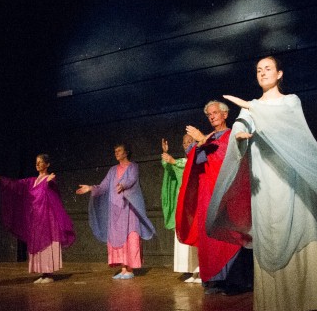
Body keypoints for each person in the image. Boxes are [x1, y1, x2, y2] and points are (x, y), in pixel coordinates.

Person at [207, 55, 317, 311]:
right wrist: (239, 134)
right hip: (265, 183)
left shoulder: (291, 102)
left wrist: (250, 107)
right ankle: (275, 302)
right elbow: (241, 123)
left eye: (268, 69)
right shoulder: (251, 108)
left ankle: (306, 299)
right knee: (269, 231)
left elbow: (285, 125)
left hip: (290, 181)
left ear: (279, 74)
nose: (263, 73)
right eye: (259, 70)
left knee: (297, 228)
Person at [176, 100, 253, 295]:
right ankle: (214, 281)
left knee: (229, 238)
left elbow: (227, 161)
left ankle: (234, 281)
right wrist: (197, 145)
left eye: (215, 113)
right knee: (210, 240)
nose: (211, 117)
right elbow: (197, 162)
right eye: (209, 114)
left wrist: (202, 140)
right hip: (206, 196)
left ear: (225, 115)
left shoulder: (230, 135)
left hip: (226, 197)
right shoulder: (208, 138)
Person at [0, 153, 75, 284]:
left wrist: (49, 182)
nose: (37, 164)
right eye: (36, 162)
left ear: (47, 164)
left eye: (40, 162)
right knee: (38, 245)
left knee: (47, 245)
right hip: (36, 219)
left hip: (47, 219)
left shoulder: (50, 178)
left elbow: (52, 189)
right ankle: (43, 274)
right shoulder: (31, 181)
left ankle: (49, 274)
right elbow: (14, 184)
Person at [76, 143, 156, 279]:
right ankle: (123, 268)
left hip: (129, 209)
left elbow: (131, 180)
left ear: (126, 153)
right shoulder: (113, 170)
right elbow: (103, 186)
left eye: (119, 151)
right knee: (118, 238)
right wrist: (90, 188)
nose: (116, 153)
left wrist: (123, 185)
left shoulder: (133, 166)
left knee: (130, 236)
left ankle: (130, 269)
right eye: (115, 151)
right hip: (115, 210)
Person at [161, 135, 201, 283]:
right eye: (184, 142)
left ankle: (201, 271)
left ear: (196, 142)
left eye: (190, 142)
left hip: (194, 203)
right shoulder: (181, 161)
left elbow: (185, 166)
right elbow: (169, 168)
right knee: (186, 234)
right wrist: (166, 155)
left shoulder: (197, 159)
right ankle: (192, 270)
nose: (186, 145)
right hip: (182, 203)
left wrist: (172, 161)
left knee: (195, 234)